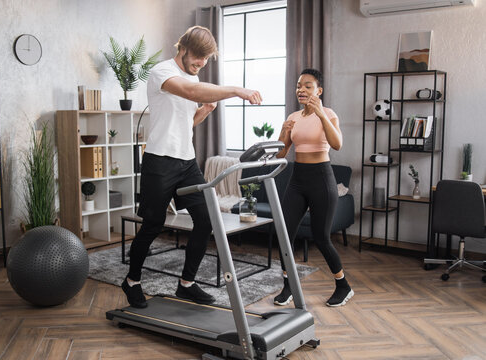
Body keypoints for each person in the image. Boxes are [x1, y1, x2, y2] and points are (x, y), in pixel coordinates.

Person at [122, 26, 263, 308]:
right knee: (152, 226)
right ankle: (132, 281)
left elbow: (187, 124)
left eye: (206, 59)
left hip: (186, 162)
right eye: (198, 57)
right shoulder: (162, 72)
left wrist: (203, 112)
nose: (201, 63)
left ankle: (187, 284)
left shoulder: (193, 76)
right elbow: (189, 90)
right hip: (160, 161)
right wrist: (236, 90)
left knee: (206, 220)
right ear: (183, 48)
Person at [273, 68, 353, 307]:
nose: (301, 90)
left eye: (308, 86)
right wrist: (284, 132)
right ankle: (288, 285)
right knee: (284, 233)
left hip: (321, 178)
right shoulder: (294, 117)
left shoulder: (329, 114)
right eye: (299, 85)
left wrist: (321, 114)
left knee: (321, 237)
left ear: (319, 90)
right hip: (297, 178)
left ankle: (343, 285)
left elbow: (337, 144)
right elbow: (281, 153)